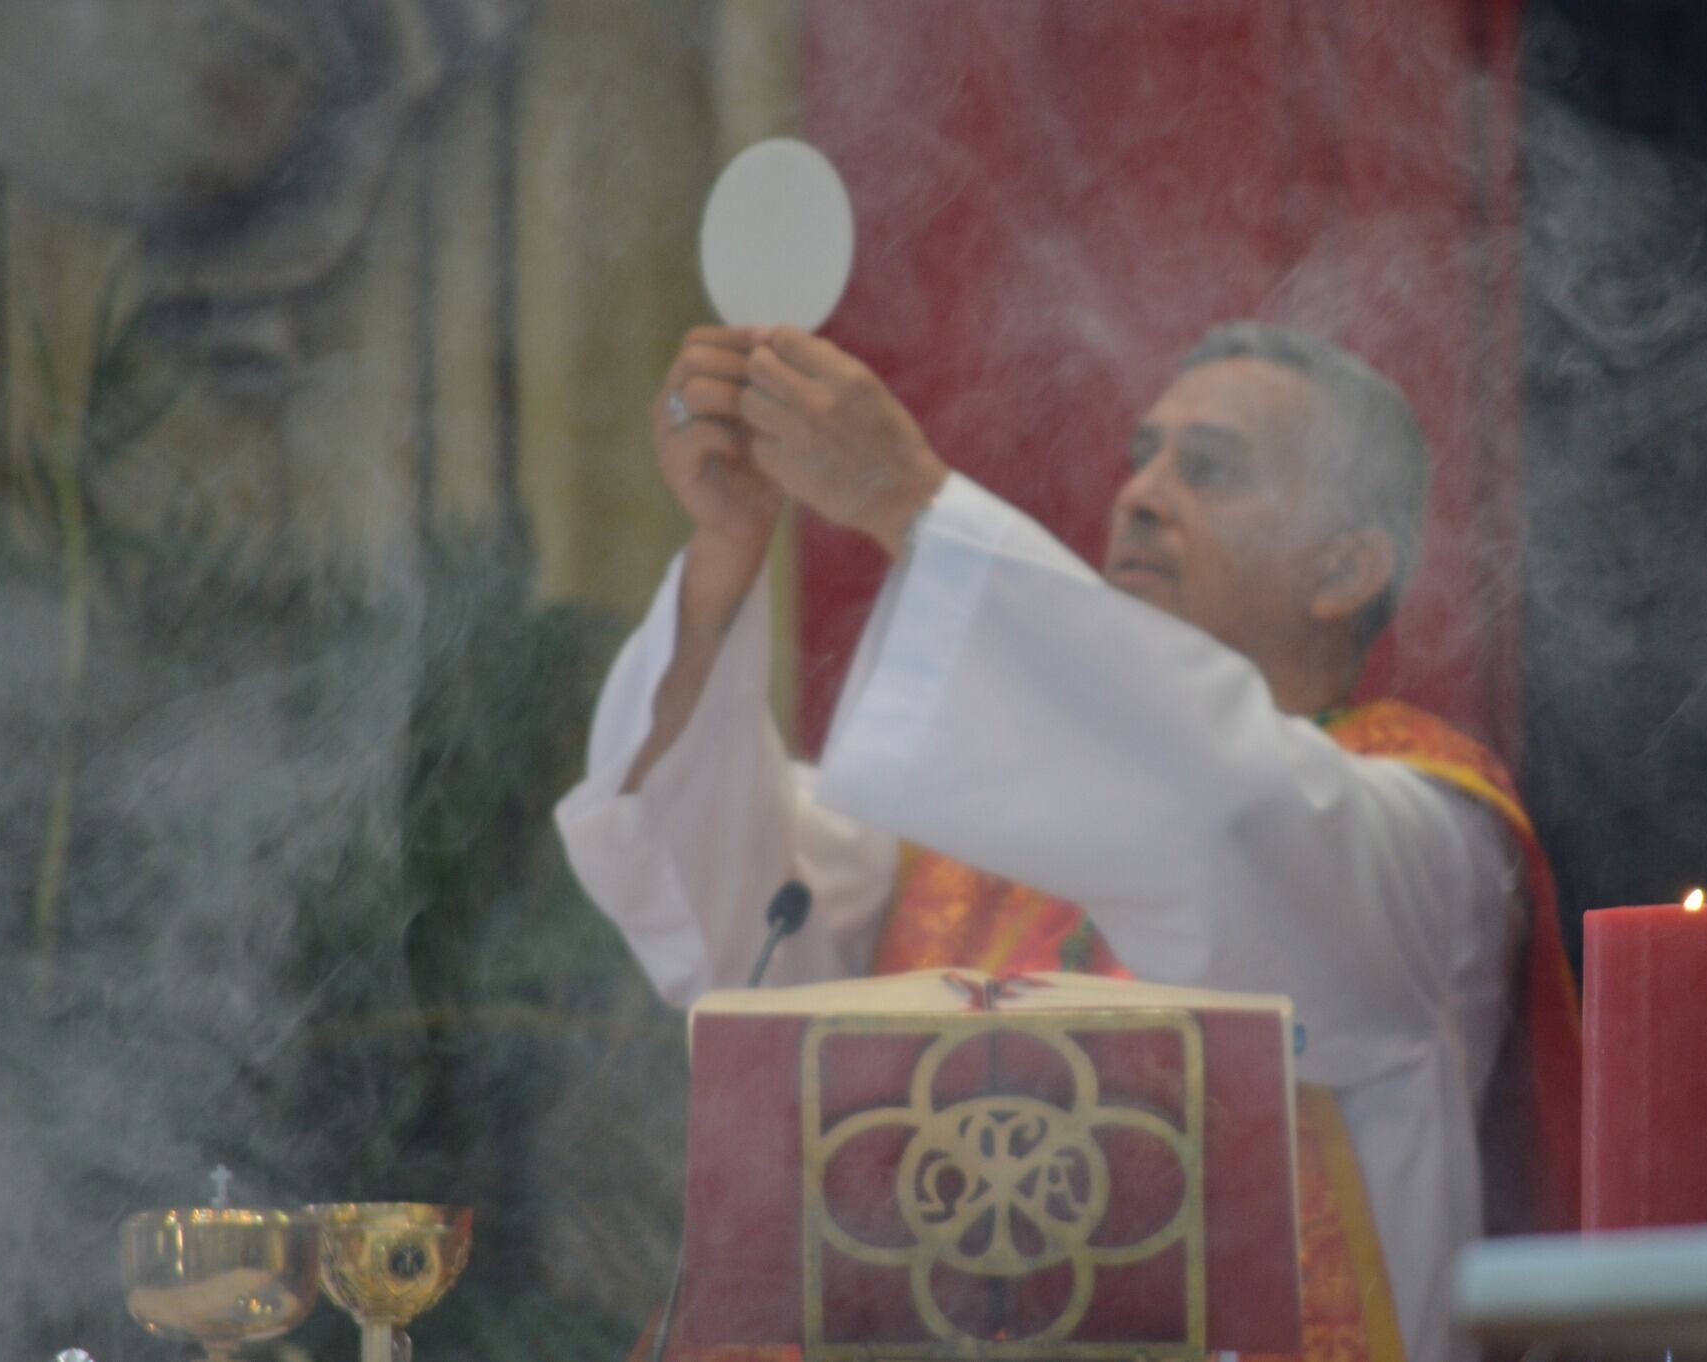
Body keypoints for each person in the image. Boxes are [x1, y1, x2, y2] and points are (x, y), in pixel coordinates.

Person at [556, 321, 1578, 1362]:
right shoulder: (970, 847)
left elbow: (1232, 821)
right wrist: (727, 552)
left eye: (1209, 470)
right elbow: (716, 896)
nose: (1139, 494)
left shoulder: (1424, 834)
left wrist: (903, 499)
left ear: (1344, 569)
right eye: (1142, 457)